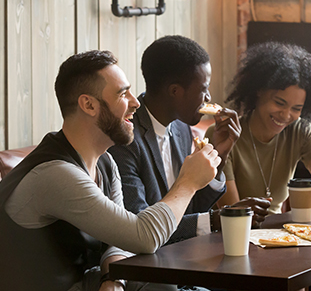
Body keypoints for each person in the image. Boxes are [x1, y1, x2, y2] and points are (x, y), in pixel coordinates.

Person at [0, 50, 220, 291]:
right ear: (89, 104)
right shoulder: (55, 174)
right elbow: (143, 237)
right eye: (122, 93)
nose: (136, 102)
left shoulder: (105, 161)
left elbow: (117, 240)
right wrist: (188, 182)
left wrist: (112, 279)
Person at [108, 35, 271, 242]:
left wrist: (219, 154)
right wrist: (216, 220)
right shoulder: (125, 139)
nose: (209, 98)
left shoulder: (181, 127)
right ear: (175, 91)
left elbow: (190, 208)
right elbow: (141, 226)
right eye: (204, 89)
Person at [207, 42, 311, 214]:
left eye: (296, 109)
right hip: (234, 232)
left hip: (278, 233)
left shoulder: (301, 132)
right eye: (279, 103)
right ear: (259, 91)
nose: (286, 115)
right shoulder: (224, 135)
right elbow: (233, 213)